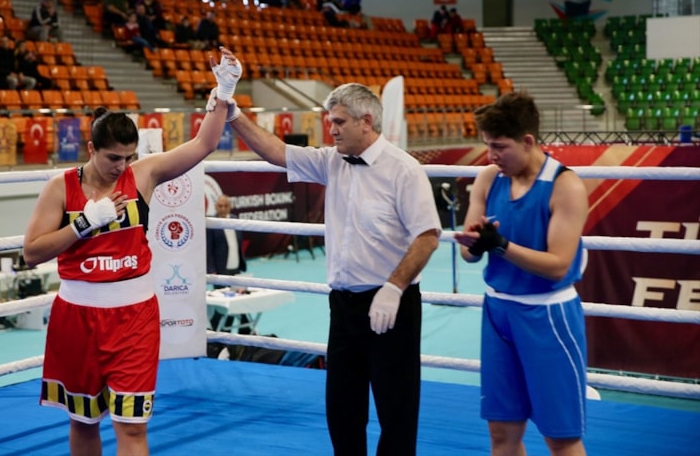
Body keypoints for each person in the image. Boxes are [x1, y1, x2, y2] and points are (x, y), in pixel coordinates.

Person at [21, 47, 240, 456]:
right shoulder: (60, 188)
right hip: (78, 316)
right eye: (112, 158)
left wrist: (224, 92)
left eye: (128, 157)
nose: (121, 166)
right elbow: (31, 253)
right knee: (84, 421)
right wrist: (83, 224)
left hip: (134, 317)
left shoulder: (143, 175)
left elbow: (204, 144)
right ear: (91, 148)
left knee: (133, 426)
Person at [215, 73, 442, 455]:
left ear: (365, 121)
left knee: (397, 410)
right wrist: (233, 113)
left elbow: (427, 236)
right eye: (329, 121)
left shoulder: (403, 169)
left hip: (392, 305)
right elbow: (276, 151)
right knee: (342, 408)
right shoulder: (330, 161)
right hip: (344, 306)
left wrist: (394, 287)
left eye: (338, 122)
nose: (330, 129)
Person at [453, 91, 589, 456]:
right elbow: (468, 252)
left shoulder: (565, 186)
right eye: (487, 145)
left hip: (547, 314)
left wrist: (500, 245)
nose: (491, 155)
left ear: (528, 141)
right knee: (502, 432)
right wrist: (476, 244)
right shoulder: (488, 179)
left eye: (500, 146)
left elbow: (558, 265)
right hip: (498, 313)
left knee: (560, 437)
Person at [206, 194, 251, 333]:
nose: (223, 208)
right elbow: (208, 248)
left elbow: (238, 243)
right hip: (220, 270)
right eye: (220, 206)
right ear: (215, 207)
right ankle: (221, 331)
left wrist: (241, 261)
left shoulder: (235, 220)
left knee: (238, 301)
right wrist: (211, 269)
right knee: (223, 304)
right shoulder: (211, 223)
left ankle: (243, 331)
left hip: (236, 268)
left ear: (230, 207)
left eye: (226, 206)